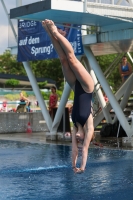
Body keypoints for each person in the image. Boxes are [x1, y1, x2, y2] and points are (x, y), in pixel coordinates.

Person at [42, 19, 94, 173]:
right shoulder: (89, 127)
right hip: (87, 87)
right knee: (72, 59)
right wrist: (83, 167)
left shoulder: (74, 126)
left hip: (76, 86)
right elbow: (84, 151)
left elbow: (74, 151)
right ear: (84, 137)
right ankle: (58, 32)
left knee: (64, 61)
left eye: (76, 139)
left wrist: (74, 166)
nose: (77, 139)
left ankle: (51, 33)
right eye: (80, 139)